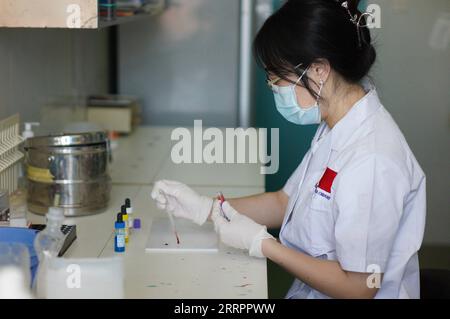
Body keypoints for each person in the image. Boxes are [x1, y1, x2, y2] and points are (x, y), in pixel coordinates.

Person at [151, 0, 426, 299]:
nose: (274, 87)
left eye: (277, 77)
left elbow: (360, 288)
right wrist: (207, 208)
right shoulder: (338, 125)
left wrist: (263, 245)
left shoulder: (372, 159)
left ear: (319, 70)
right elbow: (285, 203)